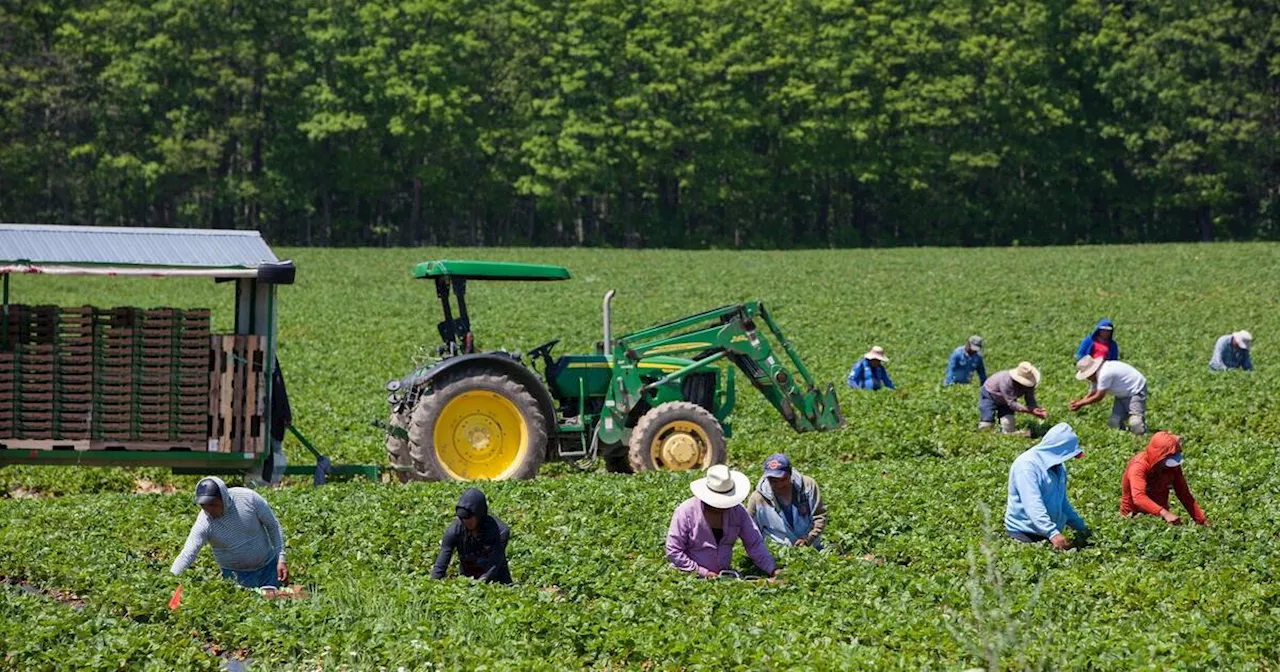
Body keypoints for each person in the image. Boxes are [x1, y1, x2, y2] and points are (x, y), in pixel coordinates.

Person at [170, 477, 288, 589]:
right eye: (204, 506)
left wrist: (281, 559)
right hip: (235, 577)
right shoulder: (204, 523)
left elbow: (273, 526)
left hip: (268, 568)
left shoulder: (249, 499)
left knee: (276, 602)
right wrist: (171, 581)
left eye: (213, 505)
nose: (209, 510)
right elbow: (188, 554)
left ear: (224, 497)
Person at [666, 464, 777, 578]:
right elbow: (674, 550)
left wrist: (772, 569)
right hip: (688, 577)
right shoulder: (686, 511)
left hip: (724, 576)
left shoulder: (737, 511)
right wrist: (702, 572)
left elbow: (754, 544)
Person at [1004, 423, 1090, 549]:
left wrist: (1081, 527)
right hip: (1026, 534)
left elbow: (1062, 502)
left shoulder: (1059, 466)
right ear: (1058, 450)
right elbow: (1033, 504)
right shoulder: (1027, 466)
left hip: (1048, 532)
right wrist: (1053, 533)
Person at [1121, 432, 1208, 526]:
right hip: (1134, 518)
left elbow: (1184, 494)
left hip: (1160, 518)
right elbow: (1139, 497)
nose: (1171, 466)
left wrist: (1201, 520)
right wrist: (1165, 514)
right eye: (1168, 461)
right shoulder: (1138, 467)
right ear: (1158, 457)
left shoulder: (1172, 467)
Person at [745, 454, 827, 549]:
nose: (779, 485)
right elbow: (750, 530)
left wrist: (807, 539)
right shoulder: (758, 498)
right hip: (777, 553)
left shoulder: (808, 486)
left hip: (811, 549)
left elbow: (819, 516)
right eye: (773, 481)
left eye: (783, 479)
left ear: (790, 474)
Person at [430, 488, 511, 584]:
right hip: (468, 579)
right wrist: (432, 584)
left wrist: (482, 582)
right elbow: (440, 565)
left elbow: (495, 562)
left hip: (497, 579)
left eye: (469, 518)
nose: (466, 522)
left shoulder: (499, 531)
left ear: (479, 514)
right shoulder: (454, 531)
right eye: (463, 518)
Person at [1070, 356, 1148, 434]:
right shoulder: (1095, 376)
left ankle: (1141, 437)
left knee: (1135, 422)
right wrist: (1079, 402)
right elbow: (1093, 392)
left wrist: (1080, 403)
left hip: (1135, 389)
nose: (1087, 378)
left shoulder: (1105, 374)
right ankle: (1123, 436)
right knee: (1113, 422)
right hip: (1121, 394)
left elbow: (1099, 396)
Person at [978, 361, 1047, 434]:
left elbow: (1030, 398)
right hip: (990, 394)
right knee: (987, 423)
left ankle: (1004, 434)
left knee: (1008, 426)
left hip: (1007, 400)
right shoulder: (1006, 381)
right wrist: (1030, 411)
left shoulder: (1030, 383)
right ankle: (986, 432)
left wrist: (1035, 409)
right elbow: (1012, 404)